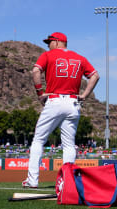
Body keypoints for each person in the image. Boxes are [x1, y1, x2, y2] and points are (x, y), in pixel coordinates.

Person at [22, 32, 100, 188]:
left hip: (55, 100)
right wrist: (84, 95)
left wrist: (39, 93)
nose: (48, 45)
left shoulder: (48, 55)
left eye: (50, 42)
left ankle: (32, 180)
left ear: (58, 42)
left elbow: (36, 71)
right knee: (69, 145)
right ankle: (67, 183)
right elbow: (95, 75)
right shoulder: (80, 58)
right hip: (72, 103)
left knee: (38, 140)